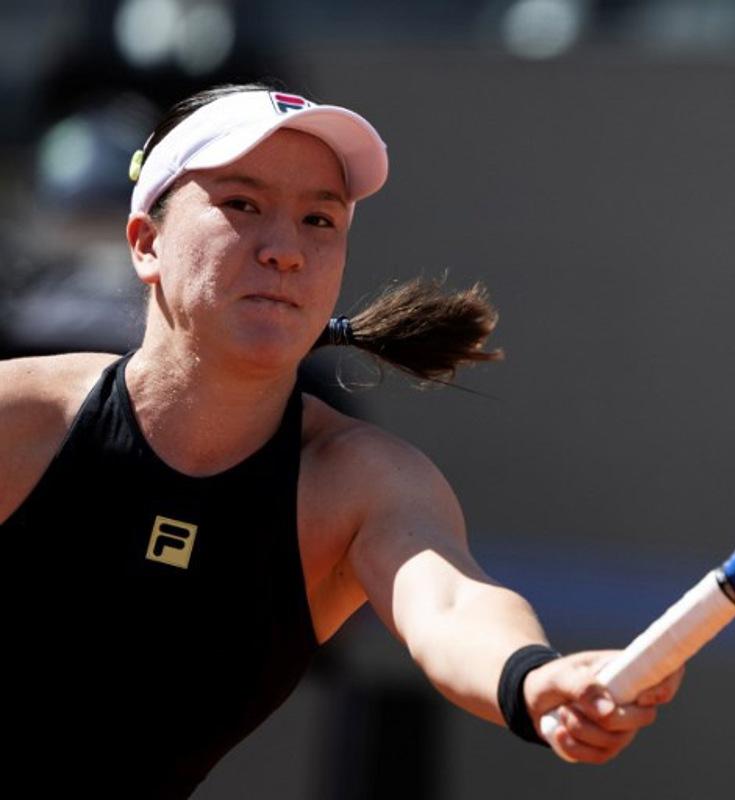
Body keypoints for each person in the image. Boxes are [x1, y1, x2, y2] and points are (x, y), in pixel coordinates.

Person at [0, 83, 684, 796]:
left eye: (319, 219)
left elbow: (452, 602)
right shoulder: (18, 419)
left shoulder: (360, 487)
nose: (286, 251)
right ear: (146, 242)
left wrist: (533, 675)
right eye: (242, 205)